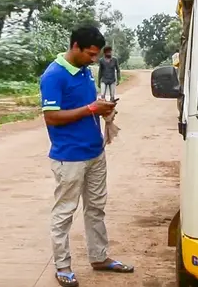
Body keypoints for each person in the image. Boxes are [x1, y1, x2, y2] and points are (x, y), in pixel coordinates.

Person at [39, 25, 135, 287]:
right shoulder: (54, 76)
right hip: (69, 158)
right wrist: (91, 108)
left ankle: (99, 257)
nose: (94, 60)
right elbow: (51, 117)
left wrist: (103, 109)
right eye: (90, 54)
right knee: (64, 212)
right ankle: (63, 266)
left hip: (95, 153)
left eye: (96, 55)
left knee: (96, 209)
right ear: (75, 47)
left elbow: (87, 106)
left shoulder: (84, 71)